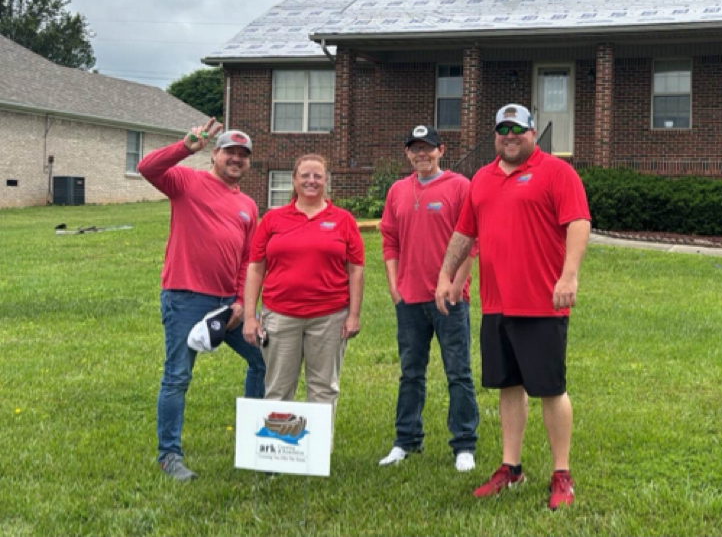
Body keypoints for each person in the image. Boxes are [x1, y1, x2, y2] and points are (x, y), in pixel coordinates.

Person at [436, 104, 591, 511]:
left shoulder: (557, 173)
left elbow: (578, 222)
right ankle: (511, 466)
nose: (510, 135)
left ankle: (561, 472)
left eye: (517, 129)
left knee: (550, 388)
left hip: (542, 301)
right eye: (502, 128)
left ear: (532, 133)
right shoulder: (482, 179)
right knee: (508, 385)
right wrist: (445, 275)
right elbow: (464, 231)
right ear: (495, 134)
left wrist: (569, 275)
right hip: (497, 303)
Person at [138, 118, 266, 481]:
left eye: (243, 155)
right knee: (178, 375)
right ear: (215, 154)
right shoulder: (186, 181)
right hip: (186, 297)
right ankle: (169, 455)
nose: (236, 159)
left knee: (263, 362)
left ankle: (254, 443)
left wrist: (242, 301)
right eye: (230, 152)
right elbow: (147, 167)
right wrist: (185, 147)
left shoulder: (248, 205)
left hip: (228, 303)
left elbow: (247, 260)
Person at [377, 125, 479, 472]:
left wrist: (456, 284)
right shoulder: (397, 191)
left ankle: (464, 445)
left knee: (458, 372)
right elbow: (389, 240)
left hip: (449, 299)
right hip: (409, 298)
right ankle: (406, 441)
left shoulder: (460, 187)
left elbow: (471, 241)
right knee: (410, 373)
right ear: (407, 153)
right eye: (415, 149)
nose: (422, 154)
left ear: (441, 150)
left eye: (428, 148)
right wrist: (394, 286)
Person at [242, 154, 363, 425]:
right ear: (294, 180)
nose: (311, 181)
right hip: (281, 315)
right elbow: (256, 268)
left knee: (323, 389)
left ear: (326, 181)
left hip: (329, 317)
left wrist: (353, 314)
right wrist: (250, 316)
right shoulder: (273, 219)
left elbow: (355, 269)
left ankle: (316, 457)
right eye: (305, 176)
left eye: (317, 176)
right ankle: (276, 451)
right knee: (278, 388)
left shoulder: (343, 220)